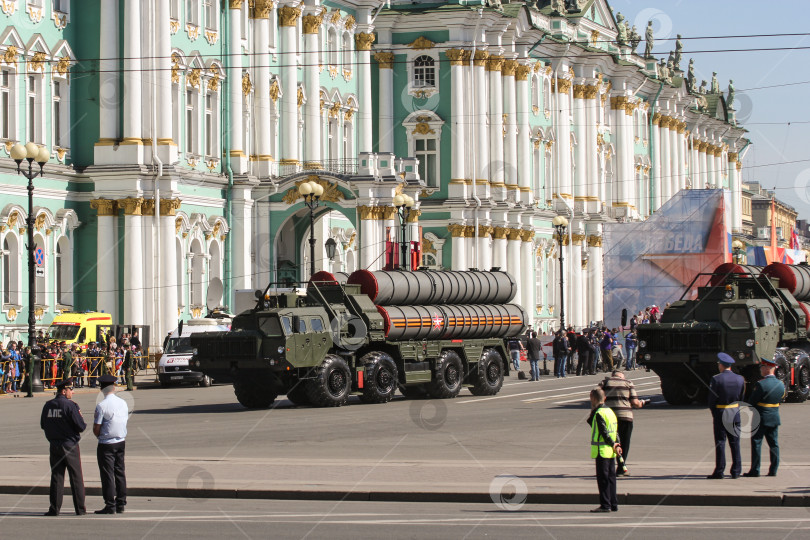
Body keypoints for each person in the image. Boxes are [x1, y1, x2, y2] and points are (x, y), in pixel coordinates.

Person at [40, 378, 87, 516]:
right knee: (76, 476)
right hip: (70, 445)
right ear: (64, 390)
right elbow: (81, 426)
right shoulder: (70, 406)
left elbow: (43, 425)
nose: (72, 392)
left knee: (57, 476)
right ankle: (80, 508)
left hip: (54, 445)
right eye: (70, 389)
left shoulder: (48, 405)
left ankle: (54, 508)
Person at [744, 357, 785, 477]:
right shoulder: (780, 384)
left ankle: (755, 470)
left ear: (767, 369)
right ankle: (773, 470)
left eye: (762, 367)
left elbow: (752, 402)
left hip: (761, 417)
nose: (760, 370)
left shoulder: (761, 384)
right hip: (774, 416)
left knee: (757, 443)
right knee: (774, 444)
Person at [94, 374, 129, 514]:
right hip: (120, 441)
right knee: (120, 472)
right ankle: (121, 502)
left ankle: (110, 504)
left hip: (106, 443)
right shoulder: (123, 403)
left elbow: (96, 427)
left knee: (107, 474)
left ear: (102, 389)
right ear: (114, 387)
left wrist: (101, 435)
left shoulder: (101, 406)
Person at [707, 352, 745, 479]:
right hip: (734, 413)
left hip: (721, 413)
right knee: (735, 443)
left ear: (721, 365)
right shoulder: (740, 379)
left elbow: (712, 400)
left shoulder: (716, 379)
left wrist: (715, 413)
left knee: (720, 442)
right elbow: (741, 397)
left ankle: (719, 470)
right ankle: (736, 471)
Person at [600, 371, 645, 476]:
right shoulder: (628, 383)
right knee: (624, 443)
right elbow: (635, 403)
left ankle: (608, 468)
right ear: (621, 375)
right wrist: (642, 403)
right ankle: (621, 468)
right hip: (625, 417)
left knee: (610, 442)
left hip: (609, 417)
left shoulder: (605, 383)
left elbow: (596, 396)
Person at [587, 387, 621, 513]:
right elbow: (615, 431)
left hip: (602, 450)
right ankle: (613, 503)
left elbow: (604, 433)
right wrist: (617, 445)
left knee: (603, 479)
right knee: (611, 478)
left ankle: (605, 504)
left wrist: (612, 444)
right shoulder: (610, 412)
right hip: (611, 451)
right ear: (605, 398)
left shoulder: (599, 413)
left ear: (593, 398)